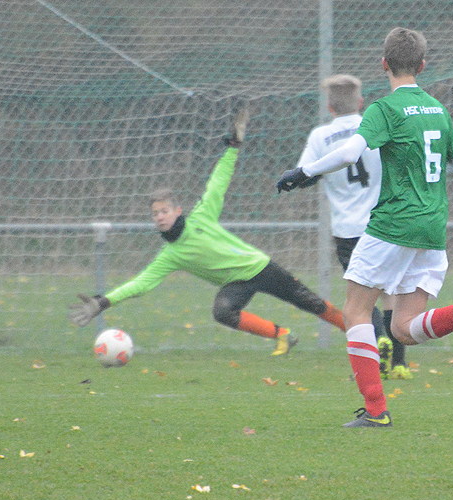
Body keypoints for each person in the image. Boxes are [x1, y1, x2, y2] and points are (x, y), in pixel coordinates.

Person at [278, 27, 453, 427]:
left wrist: (303, 172)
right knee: (402, 329)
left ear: (383, 64)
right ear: (422, 65)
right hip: (432, 229)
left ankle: (376, 411)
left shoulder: (384, 109)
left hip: (393, 225)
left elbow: (349, 153)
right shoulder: (436, 109)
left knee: (356, 311)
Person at [69, 109, 346, 354]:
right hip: (236, 282)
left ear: (178, 210)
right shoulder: (171, 255)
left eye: (164, 211)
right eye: (155, 214)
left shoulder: (201, 216)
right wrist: (104, 302)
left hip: (260, 268)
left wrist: (233, 148)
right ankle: (282, 335)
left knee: (312, 304)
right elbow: (141, 284)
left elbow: (218, 181)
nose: (160, 217)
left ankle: (359, 333)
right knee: (223, 312)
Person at [294, 73, 413, 379]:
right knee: (390, 291)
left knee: (359, 300)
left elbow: (304, 173)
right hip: (384, 223)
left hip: (348, 229)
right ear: (360, 102)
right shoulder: (377, 126)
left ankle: (378, 343)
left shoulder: (320, 136)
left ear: (330, 107)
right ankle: (398, 364)